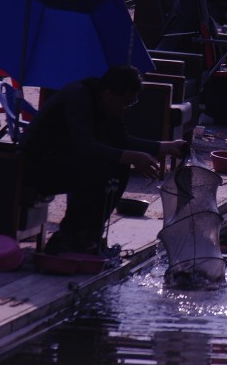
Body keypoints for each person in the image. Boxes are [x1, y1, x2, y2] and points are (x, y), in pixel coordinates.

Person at [20, 65, 188, 254]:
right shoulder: (78, 98)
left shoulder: (108, 104)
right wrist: (131, 156)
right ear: (109, 94)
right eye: (125, 103)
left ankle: (89, 236)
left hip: (66, 161)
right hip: (38, 166)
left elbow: (121, 139)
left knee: (117, 169)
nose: (126, 109)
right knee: (98, 170)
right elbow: (85, 146)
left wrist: (165, 147)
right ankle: (69, 236)